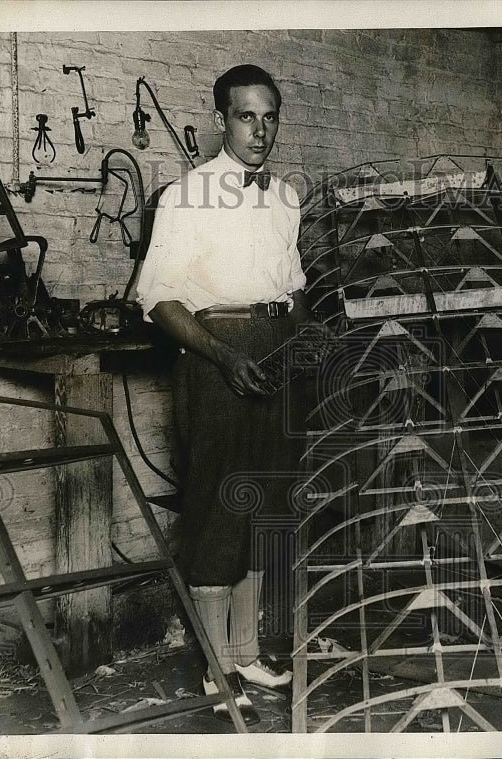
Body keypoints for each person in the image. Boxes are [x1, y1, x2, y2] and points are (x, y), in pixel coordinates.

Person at [135, 64, 312, 726]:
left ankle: (246, 652)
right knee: (216, 504)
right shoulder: (185, 197)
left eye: (269, 116)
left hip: (273, 354)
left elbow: (293, 286)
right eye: (246, 116)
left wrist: (299, 344)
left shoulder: (285, 199)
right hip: (214, 358)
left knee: (264, 501)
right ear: (220, 120)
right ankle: (215, 667)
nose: (259, 129)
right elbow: (157, 297)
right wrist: (223, 355)